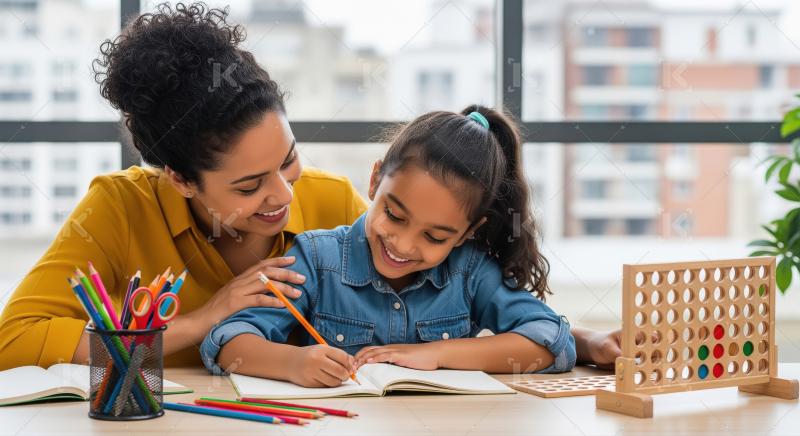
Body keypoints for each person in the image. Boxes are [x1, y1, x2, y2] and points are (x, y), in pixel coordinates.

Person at [201, 106, 585, 386]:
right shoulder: (317, 259)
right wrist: (293, 362)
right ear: (374, 181)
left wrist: (436, 354)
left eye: (435, 237)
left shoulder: (469, 270)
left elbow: (551, 340)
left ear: (468, 232)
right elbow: (228, 342)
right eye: (395, 215)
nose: (402, 244)